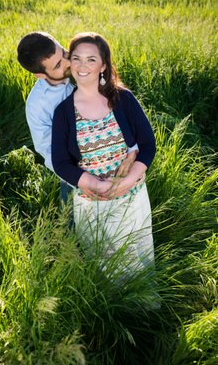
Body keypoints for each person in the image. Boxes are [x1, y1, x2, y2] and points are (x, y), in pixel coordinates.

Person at [52, 32, 156, 272]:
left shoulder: (123, 99)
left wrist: (128, 181)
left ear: (103, 65)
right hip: (91, 204)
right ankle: (109, 309)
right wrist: (93, 184)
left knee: (135, 260)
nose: (82, 65)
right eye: (76, 58)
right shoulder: (63, 112)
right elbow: (61, 162)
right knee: (103, 265)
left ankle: (142, 309)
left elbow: (148, 145)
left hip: (132, 198)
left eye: (91, 59)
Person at [17, 31, 138, 203]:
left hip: (117, 162)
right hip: (77, 175)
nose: (68, 63)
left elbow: (119, 107)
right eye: (58, 65)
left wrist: (132, 149)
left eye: (65, 53)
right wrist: (82, 180)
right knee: (77, 225)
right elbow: (48, 150)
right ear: (41, 75)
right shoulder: (38, 105)